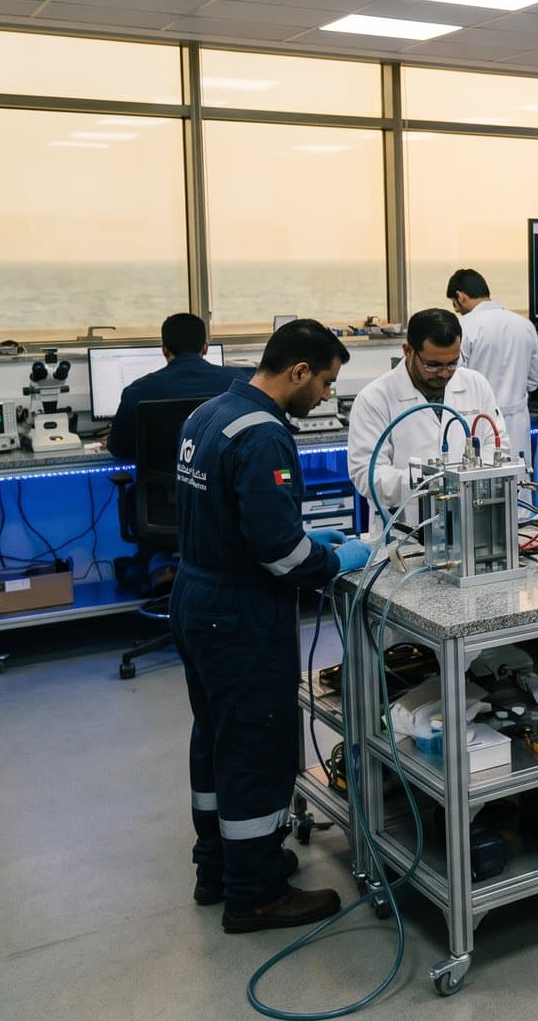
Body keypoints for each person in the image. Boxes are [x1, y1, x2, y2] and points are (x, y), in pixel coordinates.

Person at [172, 319, 371, 932]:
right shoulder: (263, 435)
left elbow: (233, 519)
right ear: (299, 371)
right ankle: (256, 893)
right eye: (325, 383)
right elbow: (282, 557)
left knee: (215, 737)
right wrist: (336, 559)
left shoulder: (209, 413)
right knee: (256, 747)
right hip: (241, 613)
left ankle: (218, 868)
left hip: (196, 596)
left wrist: (304, 536)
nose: (325, 396)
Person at [348, 308, 505, 525]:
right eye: (433, 365)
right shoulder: (375, 398)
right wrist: (427, 481)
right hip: (406, 525)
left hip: (471, 520)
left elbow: (497, 446)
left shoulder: (476, 385)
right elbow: (366, 474)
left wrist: (469, 481)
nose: (444, 373)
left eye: (452, 363)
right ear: (408, 351)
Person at [106, 312, 249, 463]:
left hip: (161, 478)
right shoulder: (238, 382)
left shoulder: (137, 392)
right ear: (205, 348)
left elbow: (118, 450)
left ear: (164, 349)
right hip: (221, 477)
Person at [446, 268, 538, 460]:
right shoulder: (525, 325)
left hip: (479, 422)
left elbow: (455, 380)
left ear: (460, 296)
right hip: (517, 422)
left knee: (482, 472)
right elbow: (533, 381)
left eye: (455, 305)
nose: (457, 311)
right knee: (519, 475)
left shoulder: (464, 327)